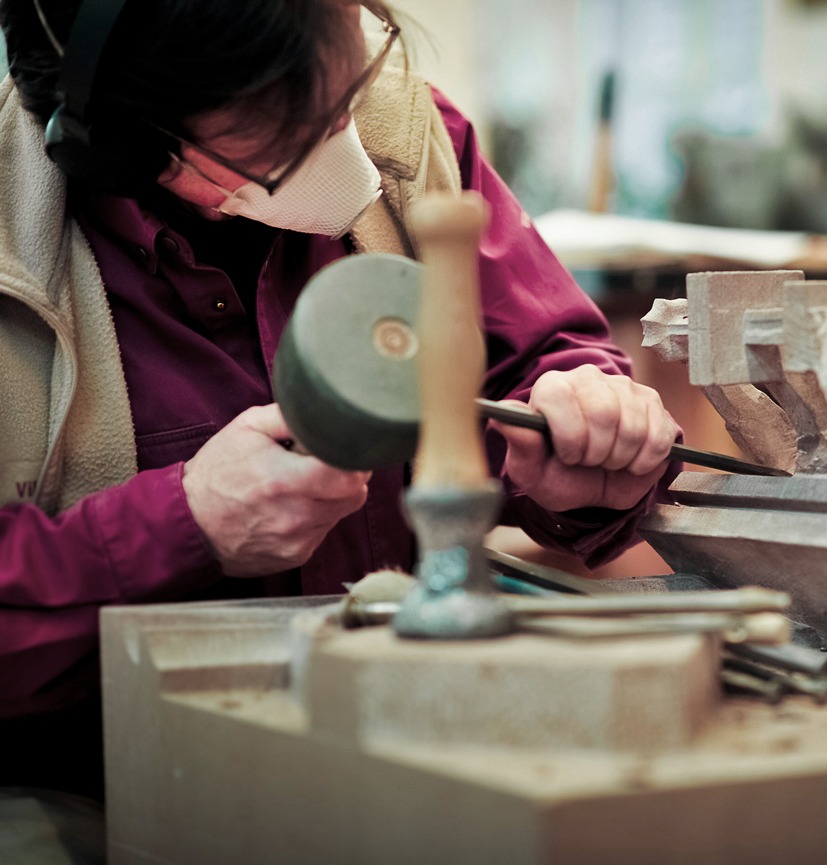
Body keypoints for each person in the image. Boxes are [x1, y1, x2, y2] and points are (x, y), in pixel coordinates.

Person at [0, 0, 679, 802]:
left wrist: (588, 429)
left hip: (416, 748)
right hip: (105, 788)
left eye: (343, 89)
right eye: (283, 134)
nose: (346, 157)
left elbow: (547, 356)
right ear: (129, 148)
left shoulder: (403, 135)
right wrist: (180, 525)